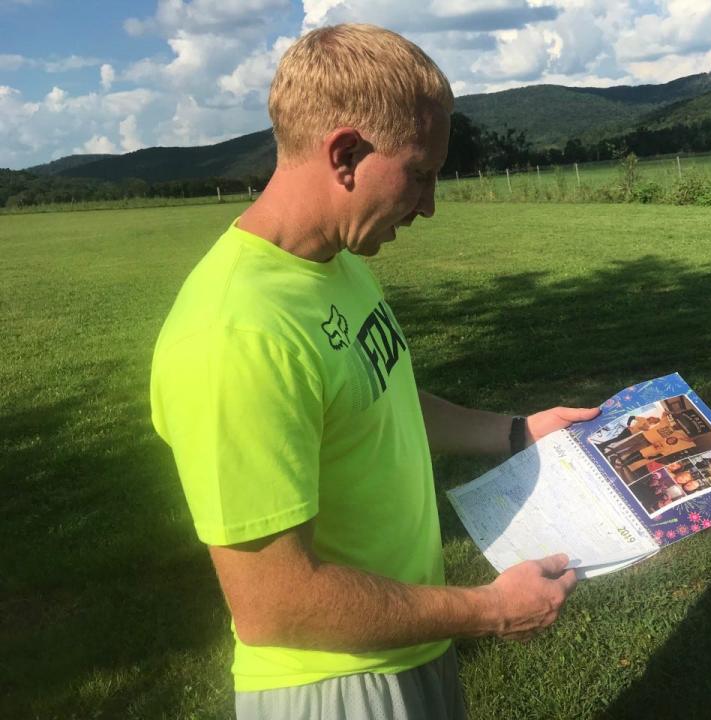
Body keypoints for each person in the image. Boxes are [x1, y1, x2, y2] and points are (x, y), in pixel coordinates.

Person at [149, 23, 599, 720]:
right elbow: (278, 605)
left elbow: (385, 397)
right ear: (346, 154)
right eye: (419, 174)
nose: (428, 206)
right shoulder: (232, 335)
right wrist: (487, 610)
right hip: (334, 685)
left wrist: (519, 432)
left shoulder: (338, 264)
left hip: (407, 643)